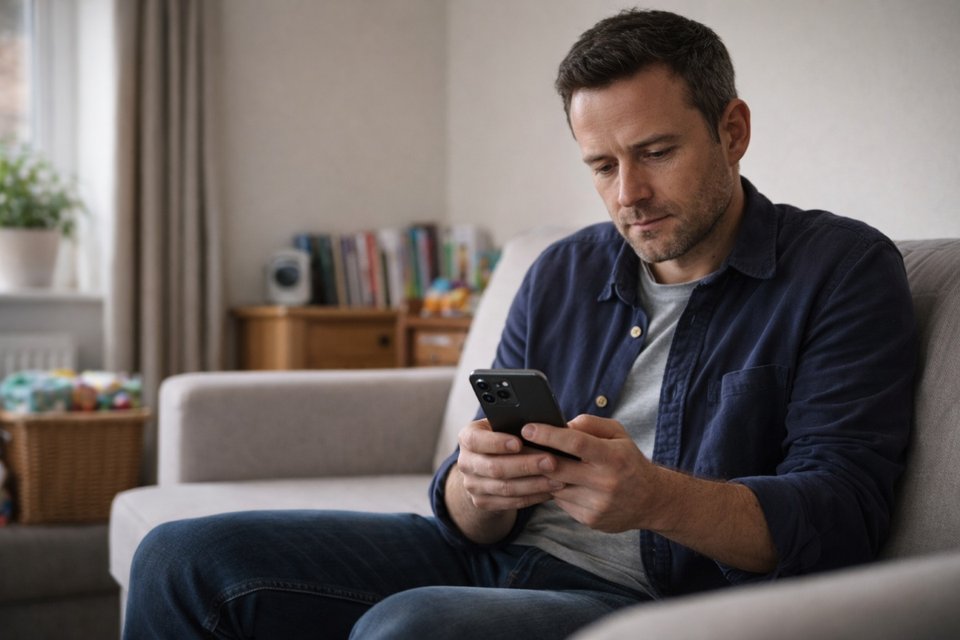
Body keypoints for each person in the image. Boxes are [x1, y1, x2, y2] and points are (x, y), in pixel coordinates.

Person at [122, 9, 915, 639]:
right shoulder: (563, 271)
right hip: (488, 561)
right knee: (182, 559)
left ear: (732, 131)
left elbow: (842, 516)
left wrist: (657, 500)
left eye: (657, 151)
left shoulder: (841, 270)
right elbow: (465, 516)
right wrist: (478, 482)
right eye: (602, 166)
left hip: (648, 601)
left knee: (410, 627)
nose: (628, 193)